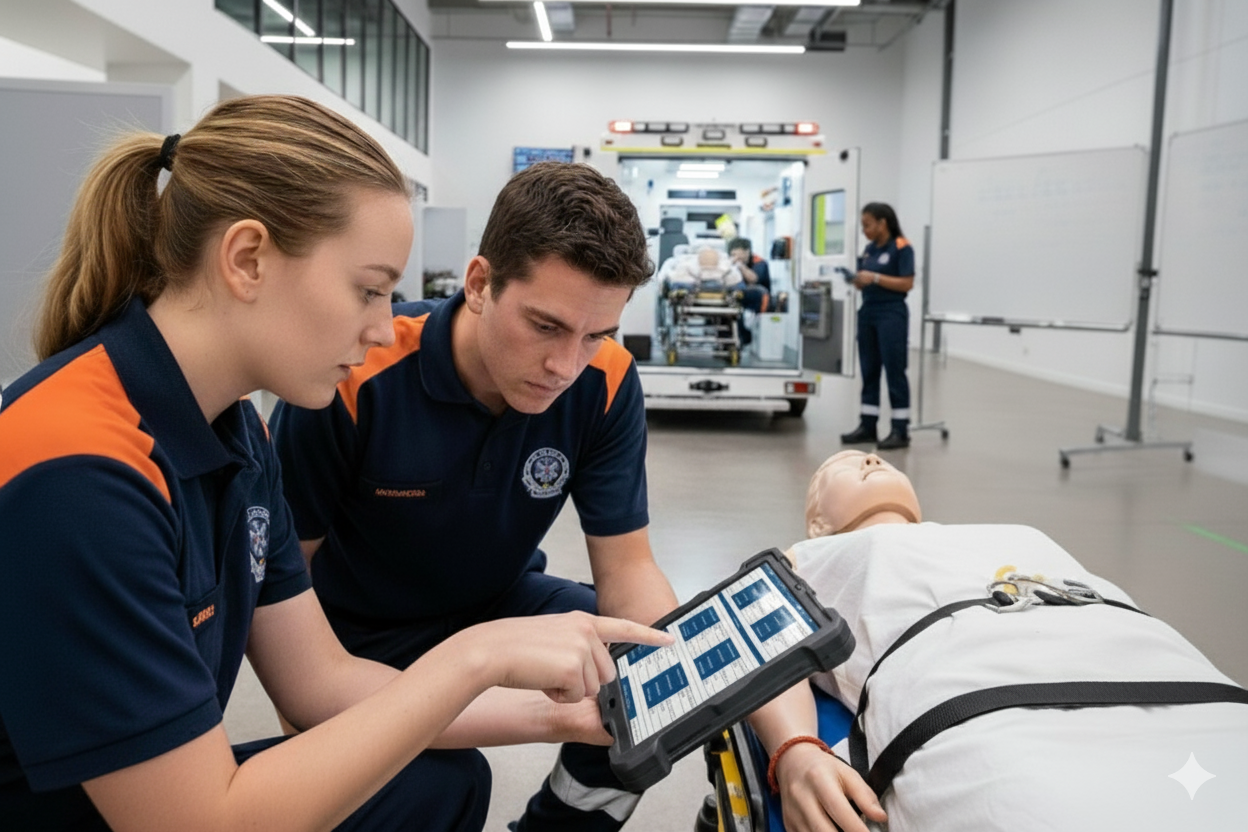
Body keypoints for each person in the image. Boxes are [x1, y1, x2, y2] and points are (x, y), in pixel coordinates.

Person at [0, 96, 672, 832]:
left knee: (438, 783)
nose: (386, 325)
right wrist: (473, 660)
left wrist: (565, 719)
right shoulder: (80, 474)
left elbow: (320, 680)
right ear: (247, 259)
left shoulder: (235, 435)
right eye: (368, 288)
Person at [270, 160, 683, 832]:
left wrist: (680, 672)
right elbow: (285, 587)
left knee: (639, 689)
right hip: (356, 636)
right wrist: (316, 734)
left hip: (499, 601)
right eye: (545, 326)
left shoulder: (605, 381)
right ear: (480, 283)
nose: (565, 366)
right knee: (441, 782)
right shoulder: (353, 375)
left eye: (595, 336)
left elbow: (629, 569)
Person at [752, 450, 1248, 832]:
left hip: (1168, 676)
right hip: (985, 709)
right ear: (817, 525)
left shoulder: (1020, 533)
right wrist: (796, 750)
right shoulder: (821, 555)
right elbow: (759, 636)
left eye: (878, 458)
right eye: (842, 465)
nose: (869, 458)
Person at [839, 203, 915, 451]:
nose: (864, 230)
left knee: (894, 371)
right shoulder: (869, 250)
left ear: (883, 223)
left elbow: (906, 283)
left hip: (891, 315)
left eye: (867, 224)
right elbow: (865, 281)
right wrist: (857, 279)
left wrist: (875, 278)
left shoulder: (902, 248)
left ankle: (900, 429)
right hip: (868, 313)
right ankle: (867, 425)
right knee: (869, 371)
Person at [727, 236, 772, 313]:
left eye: (736, 254)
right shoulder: (729, 261)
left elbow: (754, 280)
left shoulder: (759, 262)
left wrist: (740, 266)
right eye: (732, 255)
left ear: (747, 252)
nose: (735, 257)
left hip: (758, 297)